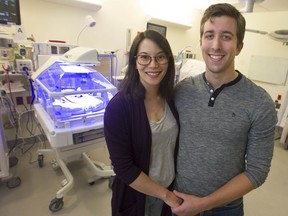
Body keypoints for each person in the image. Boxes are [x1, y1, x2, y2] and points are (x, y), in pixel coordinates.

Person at [172, 3, 277, 216]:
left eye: (227, 37)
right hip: (177, 201)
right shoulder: (181, 91)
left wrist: (203, 204)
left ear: (239, 46)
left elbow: (257, 171)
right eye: (209, 35)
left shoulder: (260, 102)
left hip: (226, 210)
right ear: (201, 41)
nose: (216, 45)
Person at [104, 30, 182, 216]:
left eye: (160, 57)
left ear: (168, 61)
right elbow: (123, 167)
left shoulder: (173, 98)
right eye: (145, 57)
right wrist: (166, 195)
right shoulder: (119, 107)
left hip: (169, 192)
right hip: (137, 196)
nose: (153, 65)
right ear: (134, 62)